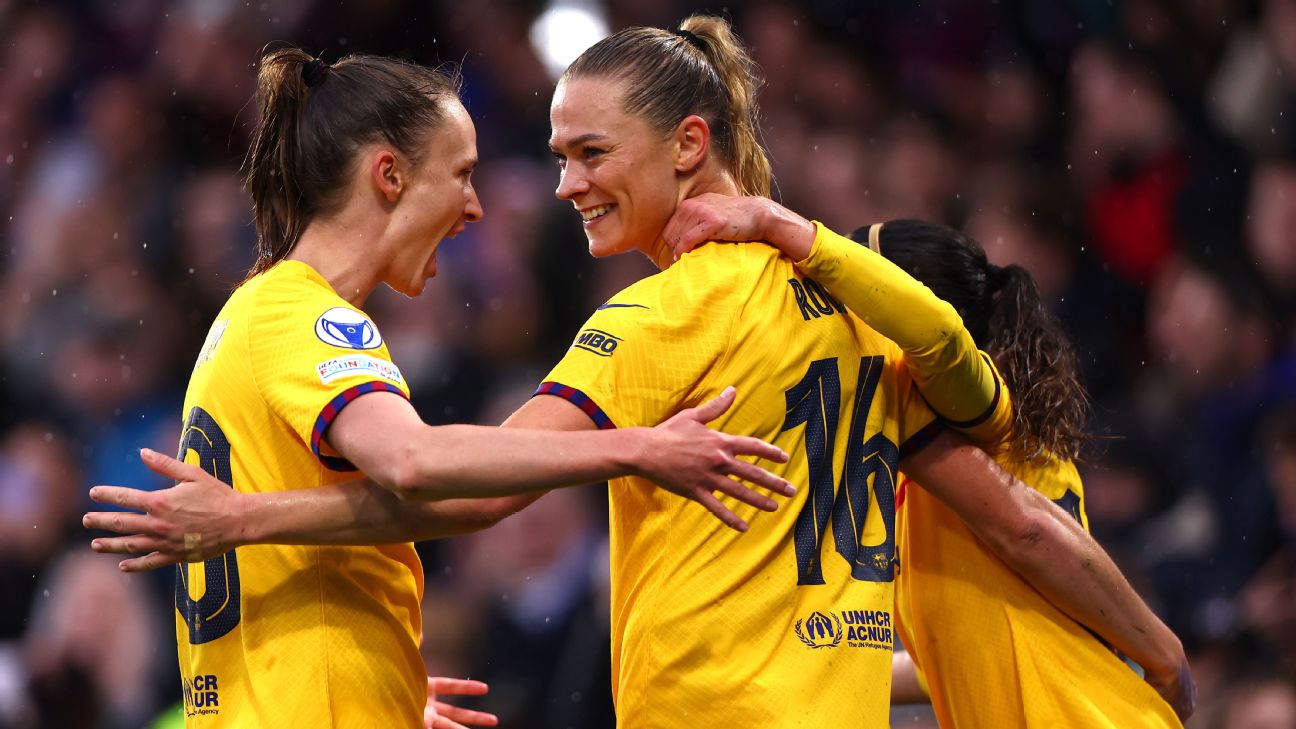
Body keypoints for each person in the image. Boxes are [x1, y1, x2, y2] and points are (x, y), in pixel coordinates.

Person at [88, 17, 1191, 727]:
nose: (558, 186)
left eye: (588, 154)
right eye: (557, 156)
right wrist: (1154, 646)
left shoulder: (662, 316)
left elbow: (467, 487)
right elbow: (1002, 487)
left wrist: (247, 519)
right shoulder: (857, 313)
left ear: (689, 146)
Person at [82, 46, 795, 729]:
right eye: (461, 174)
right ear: (389, 175)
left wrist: (374, 677)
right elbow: (415, 465)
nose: (475, 207)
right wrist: (639, 447)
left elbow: (379, 506)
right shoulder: (307, 317)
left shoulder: (252, 312)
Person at [662, 197, 1188, 726]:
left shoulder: (980, 408)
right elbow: (956, 651)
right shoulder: (919, 475)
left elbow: (1027, 527)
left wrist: (782, 226)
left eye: (846, 302)